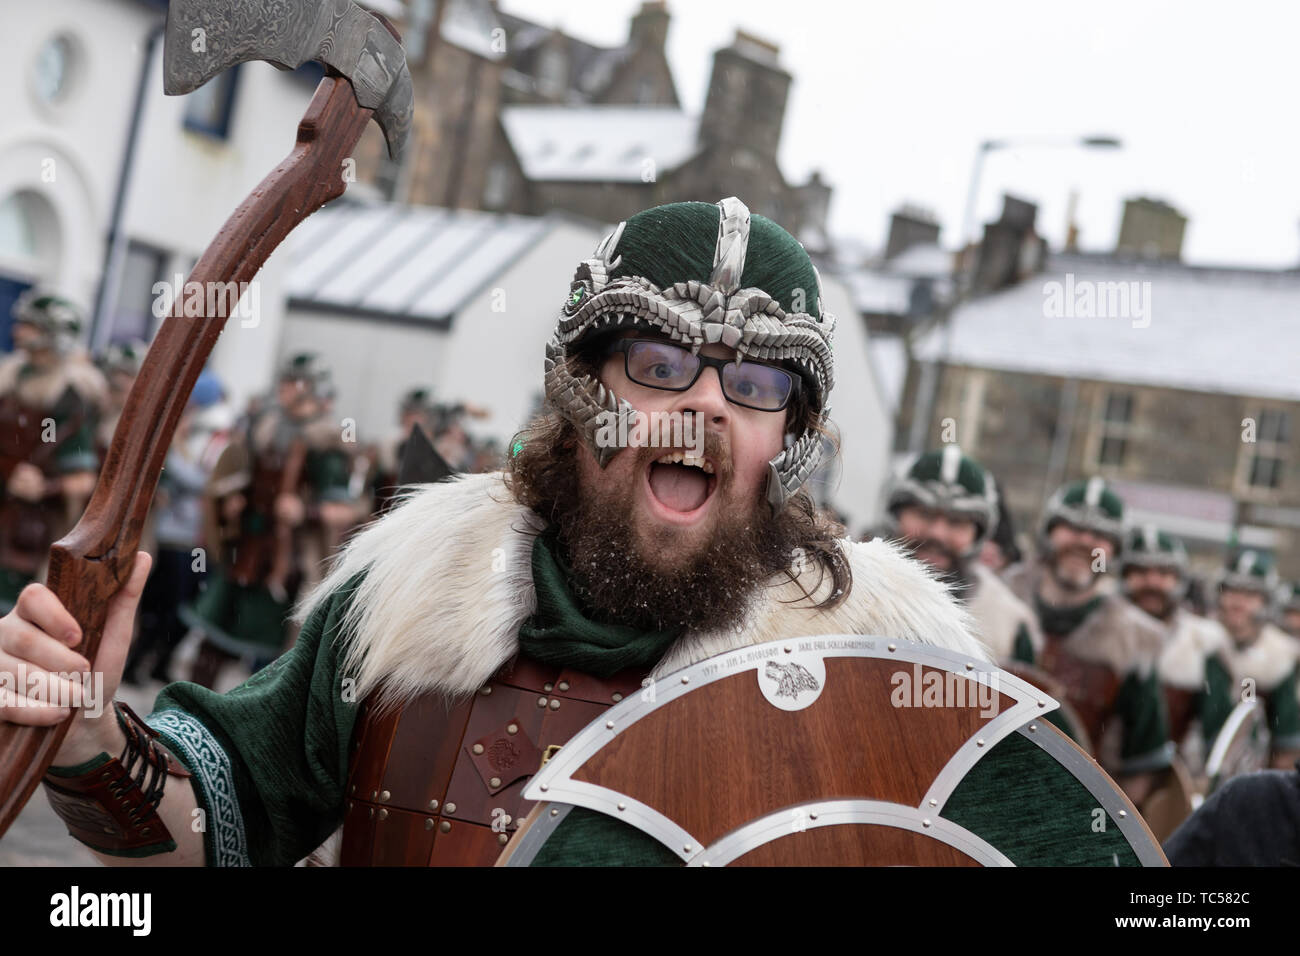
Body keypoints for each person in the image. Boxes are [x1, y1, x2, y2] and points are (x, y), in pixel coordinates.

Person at [2, 197, 988, 866]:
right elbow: (213, 828)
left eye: (757, 382)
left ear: (790, 437)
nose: (707, 403)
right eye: (656, 362)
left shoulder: (879, 664)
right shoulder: (413, 589)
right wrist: (91, 737)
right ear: (579, 386)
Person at [180, 353, 368, 688]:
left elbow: (346, 508)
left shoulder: (328, 441)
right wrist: (234, 497)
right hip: (246, 549)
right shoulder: (266, 425)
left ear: (313, 389)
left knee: (270, 660)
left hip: (288, 561)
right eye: (284, 382)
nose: (285, 390)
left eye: (295, 383)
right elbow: (240, 472)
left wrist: (305, 511)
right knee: (211, 644)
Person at [1004, 477, 1172, 803]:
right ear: (1049, 532)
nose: (1084, 541)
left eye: (1099, 535)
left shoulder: (1135, 639)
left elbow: (1142, 764)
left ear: (1115, 550)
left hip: (1072, 808)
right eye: (1072, 527)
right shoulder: (997, 601)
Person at [0, 290, 107, 612]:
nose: (19, 331)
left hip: (21, 532)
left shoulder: (69, 398)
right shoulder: (8, 378)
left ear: (52, 335)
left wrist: (44, 487)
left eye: (30, 325)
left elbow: (83, 479)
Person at [884, 446, 1041, 665]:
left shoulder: (1010, 626)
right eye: (924, 514)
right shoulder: (845, 591)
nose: (937, 533)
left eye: (956, 521)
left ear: (978, 534)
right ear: (897, 515)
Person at [1118, 525, 1233, 774]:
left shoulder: (1201, 643)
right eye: (1140, 571)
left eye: (1163, 572)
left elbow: (1219, 735)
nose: (1152, 582)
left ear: (1179, 580)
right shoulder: (1096, 631)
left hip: (1164, 786)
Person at [1213, 549, 1300, 768]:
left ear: (1265, 602)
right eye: (1232, 591)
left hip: (1246, 775)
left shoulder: (1280, 658)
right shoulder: (1197, 643)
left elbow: (1286, 745)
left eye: (1251, 595)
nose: (1238, 602)